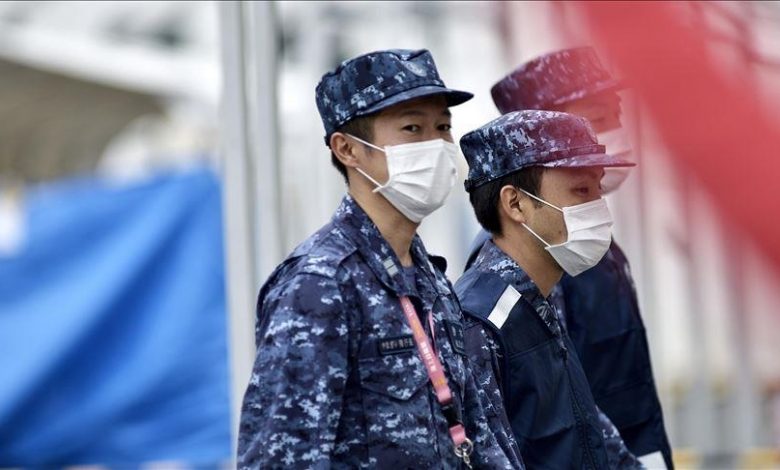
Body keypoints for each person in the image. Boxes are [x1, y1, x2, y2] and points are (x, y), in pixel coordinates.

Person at [238, 49, 523, 469]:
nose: (436, 145)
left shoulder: (428, 278)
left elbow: (476, 430)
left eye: (443, 127)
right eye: (413, 128)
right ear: (347, 149)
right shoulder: (320, 283)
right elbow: (281, 459)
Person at [468, 47, 673, 469]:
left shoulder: (569, 254)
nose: (598, 206)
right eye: (596, 118)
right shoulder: (497, 298)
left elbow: (579, 407)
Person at [456, 109, 643, 469]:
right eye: (581, 191)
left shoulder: (536, 299)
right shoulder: (480, 321)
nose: (599, 209)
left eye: (598, 190)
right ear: (515, 204)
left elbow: (585, 427)